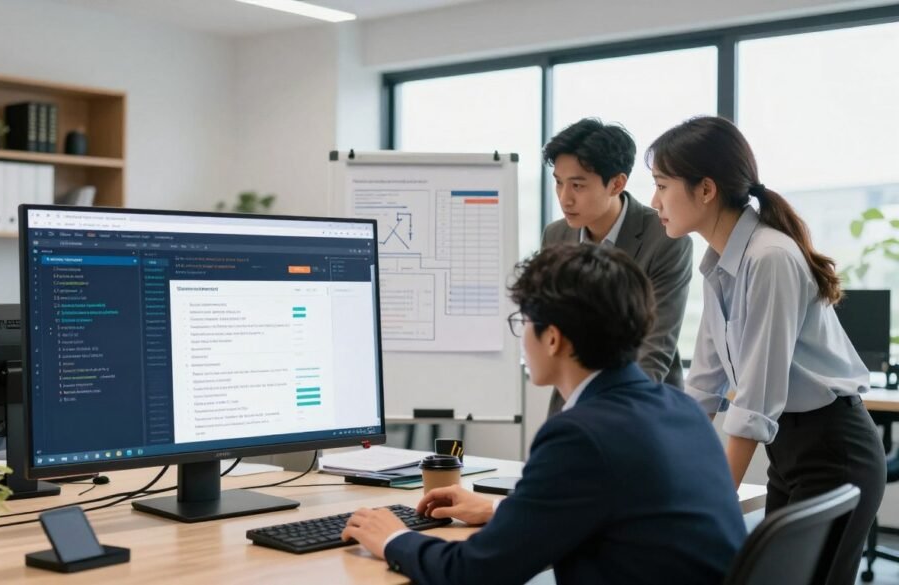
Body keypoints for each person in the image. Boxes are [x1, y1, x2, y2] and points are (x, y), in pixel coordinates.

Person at [341, 244, 746, 585]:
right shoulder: (680, 409)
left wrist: (392, 537)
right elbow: (619, 512)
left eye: (524, 322)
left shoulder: (579, 435)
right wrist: (502, 510)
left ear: (552, 338)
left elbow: (475, 573)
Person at [648, 115, 885, 585]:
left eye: (661, 185)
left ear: (706, 189)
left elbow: (753, 403)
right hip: (790, 453)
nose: (654, 202)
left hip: (834, 451)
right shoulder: (718, 265)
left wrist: (707, 510)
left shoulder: (769, 257)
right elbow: (704, 386)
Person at [541, 118, 691, 415]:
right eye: (558, 182)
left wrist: (610, 416)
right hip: (572, 404)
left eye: (578, 185)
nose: (564, 197)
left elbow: (655, 348)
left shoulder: (665, 238)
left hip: (643, 403)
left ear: (617, 183)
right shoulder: (556, 236)